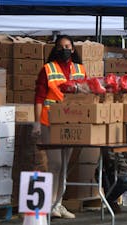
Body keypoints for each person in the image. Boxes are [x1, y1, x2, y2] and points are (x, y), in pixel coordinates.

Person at [34, 35, 86, 219]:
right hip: (50, 121)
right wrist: (37, 123)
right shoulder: (47, 69)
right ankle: (49, 203)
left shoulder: (79, 69)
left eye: (67, 46)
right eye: (61, 46)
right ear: (56, 49)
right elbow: (39, 97)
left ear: (72, 49)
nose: (64, 49)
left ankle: (58, 203)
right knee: (55, 164)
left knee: (64, 165)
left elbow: (86, 95)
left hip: (72, 122)